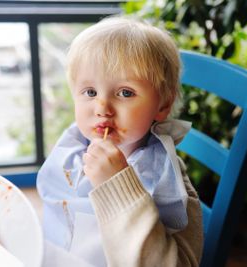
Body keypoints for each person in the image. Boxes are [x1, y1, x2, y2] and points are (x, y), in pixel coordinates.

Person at [37, 16, 203, 267]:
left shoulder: (168, 181)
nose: (102, 107)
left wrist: (117, 186)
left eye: (125, 93)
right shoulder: (74, 148)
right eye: (90, 92)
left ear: (163, 105)